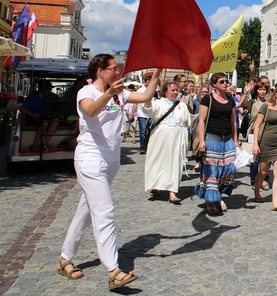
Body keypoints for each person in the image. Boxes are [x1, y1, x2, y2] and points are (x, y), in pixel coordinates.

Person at [57, 54, 161, 290]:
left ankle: (65, 259)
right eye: (113, 69)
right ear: (100, 71)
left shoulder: (121, 93)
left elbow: (145, 96)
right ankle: (114, 271)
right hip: (90, 159)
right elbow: (91, 111)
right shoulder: (87, 92)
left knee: (85, 212)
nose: (118, 72)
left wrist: (157, 74)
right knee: (104, 211)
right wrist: (108, 93)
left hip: (111, 160)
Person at [194, 73, 238, 216]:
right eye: (222, 81)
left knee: (229, 168)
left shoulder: (230, 99)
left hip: (227, 139)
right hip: (212, 138)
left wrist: (235, 139)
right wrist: (202, 140)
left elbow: (233, 122)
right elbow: (201, 121)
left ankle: (218, 195)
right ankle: (211, 201)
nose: (226, 83)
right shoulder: (208, 99)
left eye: (227, 81)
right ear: (214, 84)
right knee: (212, 170)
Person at [143, 80, 191, 204]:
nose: (175, 93)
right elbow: (147, 108)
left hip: (177, 137)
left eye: (177, 90)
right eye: (172, 90)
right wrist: (149, 93)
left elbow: (188, 121)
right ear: (165, 92)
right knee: (157, 161)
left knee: (175, 163)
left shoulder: (182, 105)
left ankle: (172, 192)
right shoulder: (158, 103)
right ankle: (155, 185)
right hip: (161, 137)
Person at [252, 85, 277, 212]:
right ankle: (256, 191)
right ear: (276, 95)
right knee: (263, 172)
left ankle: (275, 202)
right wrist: (255, 144)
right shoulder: (266, 107)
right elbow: (257, 126)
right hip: (266, 143)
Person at [20, 80, 60, 151]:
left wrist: (50, 114)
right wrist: (32, 114)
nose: (50, 92)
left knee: (56, 121)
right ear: (44, 90)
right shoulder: (32, 98)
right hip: (32, 118)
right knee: (45, 122)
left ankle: (44, 143)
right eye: (49, 90)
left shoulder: (46, 99)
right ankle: (34, 144)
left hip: (42, 117)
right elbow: (22, 108)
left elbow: (46, 110)